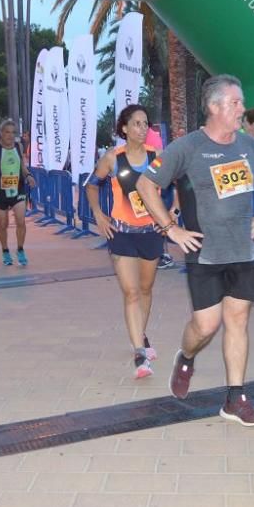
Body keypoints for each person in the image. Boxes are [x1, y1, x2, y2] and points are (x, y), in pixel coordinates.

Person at [137, 74, 254, 427]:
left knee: (238, 320)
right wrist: (172, 229)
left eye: (240, 102)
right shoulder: (187, 148)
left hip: (242, 251)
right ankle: (186, 357)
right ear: (214, 107)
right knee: (205, 325)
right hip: (205, 251)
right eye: (235, 103)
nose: (242, 109)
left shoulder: (249, 146)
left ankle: (235, 398)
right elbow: (146, 184)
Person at [86, 104, 166, 378]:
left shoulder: (157, 157)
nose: (143, 129)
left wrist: (172, 215)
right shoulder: (112, 158)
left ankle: (140, 335)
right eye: (137, 124)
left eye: (146, 124)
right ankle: (139, 354)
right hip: (121, 233)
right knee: (131, 292)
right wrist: (98, 214)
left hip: (151, 234)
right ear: (124, 128)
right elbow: (91, 185)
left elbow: (178, 185)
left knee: (145, 289)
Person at [0, 120, 36, 266]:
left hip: (18, 190)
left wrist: (28, 175)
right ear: (1, 133)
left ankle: (20, 249)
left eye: (13, 132)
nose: (10, 136)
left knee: (21, 221)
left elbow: (22, 166)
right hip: (1, 193)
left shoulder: (19, 146)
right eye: (7, 132)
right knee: (3, 224)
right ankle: (5, 250)